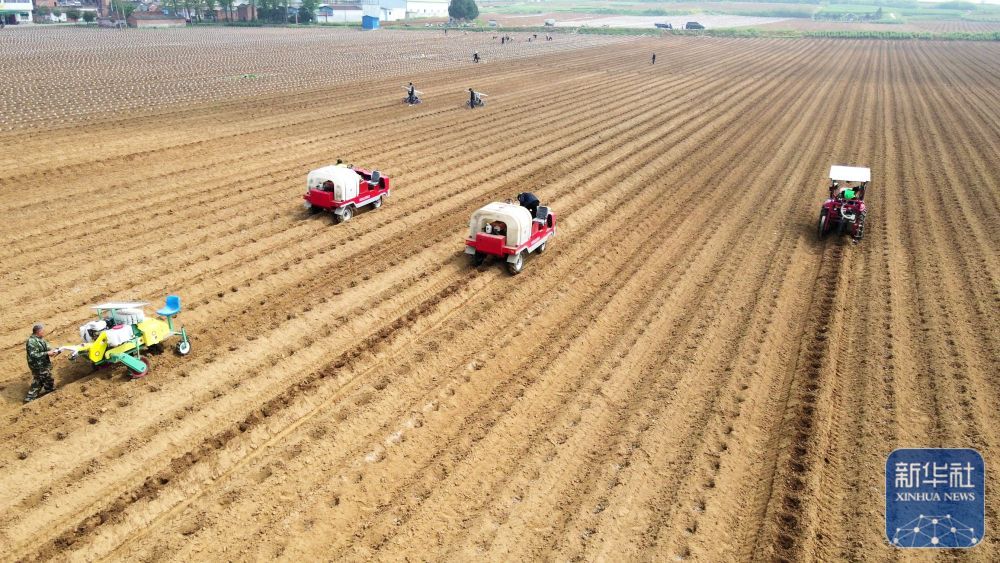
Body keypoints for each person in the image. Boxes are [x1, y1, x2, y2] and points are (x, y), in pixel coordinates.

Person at [25, 323, 60, 403]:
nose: (44, 332)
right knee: (48, 379)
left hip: (43, 364)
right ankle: (51, 393)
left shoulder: (40, 339)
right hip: (38, 365)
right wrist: (47, 353)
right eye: (42, 331)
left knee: (38, 381)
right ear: (38, 331)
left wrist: (54, 350)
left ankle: (29, 398)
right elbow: (33, 355)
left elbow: (47, 347)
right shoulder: (31, 342)